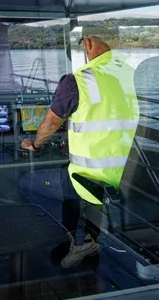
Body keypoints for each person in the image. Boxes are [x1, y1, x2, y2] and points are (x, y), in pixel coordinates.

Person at [18, 36, 140, 268]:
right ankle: (86, 238)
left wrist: (34, 145)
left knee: (26, 183)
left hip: (86, 179)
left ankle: (69, 242)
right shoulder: (127, 76)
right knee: (68, 192)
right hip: (119, 178)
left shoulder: (78, 81)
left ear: (88, 43)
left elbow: (51, 124)